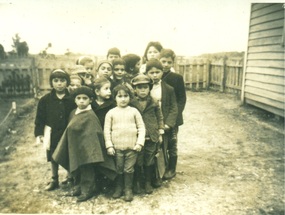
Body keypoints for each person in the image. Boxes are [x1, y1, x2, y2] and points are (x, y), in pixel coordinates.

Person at [52, 86, 116, 202]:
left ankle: (88, 189)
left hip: (88, 149)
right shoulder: (73, 113)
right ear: (75, 100)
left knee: (87, 167)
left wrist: (89, 149)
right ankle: (79, 187)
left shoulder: (90, 115)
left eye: (85, 98)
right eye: (78, 98)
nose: (81, 101)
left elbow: (94, 133)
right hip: (76, 146)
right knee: (76, 166)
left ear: (90, 100)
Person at [34, 69, 76, 191]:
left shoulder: (72, 99)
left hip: (67, 131)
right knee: (53, 155)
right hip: (51, 132)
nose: (59, 84)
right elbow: (40, 118)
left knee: (68, 153)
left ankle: (70, 177)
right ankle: (54, 179)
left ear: (67, 82)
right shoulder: (45, 100)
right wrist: (39, 133)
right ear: (51, 83)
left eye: (62, 81)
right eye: (56, 81)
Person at [104, 85, 145, 202]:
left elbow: (141, 128)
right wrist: (109, 145)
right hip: (117, 148)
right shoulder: (111, 113)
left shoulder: (134, 111)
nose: (123, 99)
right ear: (114, 98)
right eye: (120, 96)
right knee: (119, 168)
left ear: (130, 97)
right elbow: (107, 130)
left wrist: (139, 143)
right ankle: (119, 187)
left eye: (126, 96)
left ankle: (128, 189)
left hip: (132, 148)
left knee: (129, 169)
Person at [145, 59, 178, 187]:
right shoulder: (144, 88)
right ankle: (149, 176)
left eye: (157, 72)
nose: (154, 75)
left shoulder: (168, 89)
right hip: (149, 124)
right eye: (151, 72)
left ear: (162, 72)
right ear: (147, 73)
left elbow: (173, 108)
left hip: (163, 124)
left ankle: (159, 174)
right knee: (150, 150)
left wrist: (168, 124)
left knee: (162, 149)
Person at [130, 74, 164, 194]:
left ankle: (148, 182)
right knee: (138, 159)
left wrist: (160, 130)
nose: (143, 90)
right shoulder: (132, 103)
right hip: (138, 136)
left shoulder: (153, 102)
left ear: (149, 88)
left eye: (145, 87)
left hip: (152, 134)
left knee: (149, 159)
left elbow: (159, 117)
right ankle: (138, 182)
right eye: (139, 88)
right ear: (135, 89)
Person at [159, 49, 187, 180]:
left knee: (172, 142)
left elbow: (182, 99)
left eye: (168, 62)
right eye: (163, 61)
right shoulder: (154, 76)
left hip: (173, 117)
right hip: (158, 116)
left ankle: (172, 168)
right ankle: (160, 167)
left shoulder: (177, 78)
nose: (165, 64)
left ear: (173, 63)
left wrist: (174, 116)